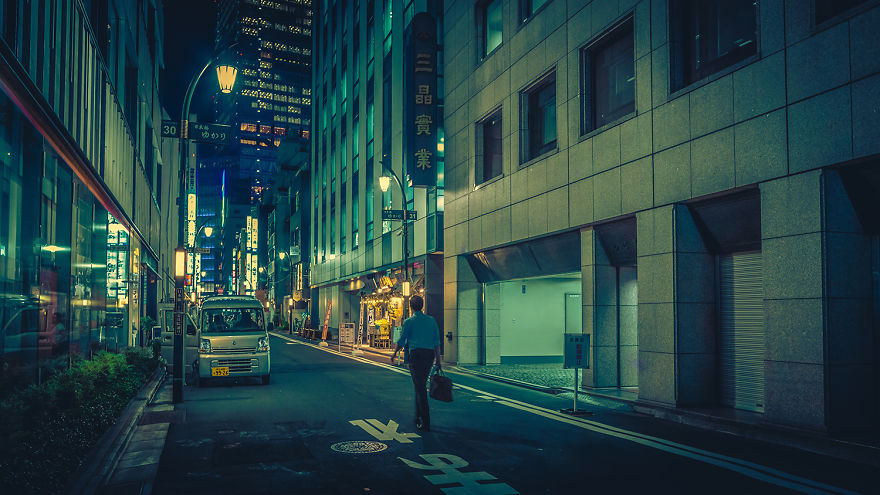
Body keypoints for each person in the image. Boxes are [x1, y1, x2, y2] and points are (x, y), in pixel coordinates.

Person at [391, 295, 441, 432]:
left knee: (420, 388)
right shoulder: (431, 321)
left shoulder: (408, 322)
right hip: (429, 355)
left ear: (411, 307)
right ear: (422, 306)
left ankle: (425, 421)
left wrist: (394, 354)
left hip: (416, 356)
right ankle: (417, 416)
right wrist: (439, 361)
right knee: (419, 386)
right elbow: (436, 342)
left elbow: (402, 341)